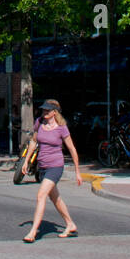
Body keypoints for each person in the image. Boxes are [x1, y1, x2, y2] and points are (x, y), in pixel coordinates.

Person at [22, 100, 82, 242]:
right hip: (42, 166)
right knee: (55, 198)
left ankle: (33, 232)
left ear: (54, 112)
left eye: (47, 111)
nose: (44, 113)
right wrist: (26, 161)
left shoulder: (61, 128)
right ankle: (70, 224)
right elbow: (33, 141)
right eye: (43, 110)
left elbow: (72, 149)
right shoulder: (39, 123)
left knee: (41, 195)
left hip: (55, 166)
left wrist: (77, 171)